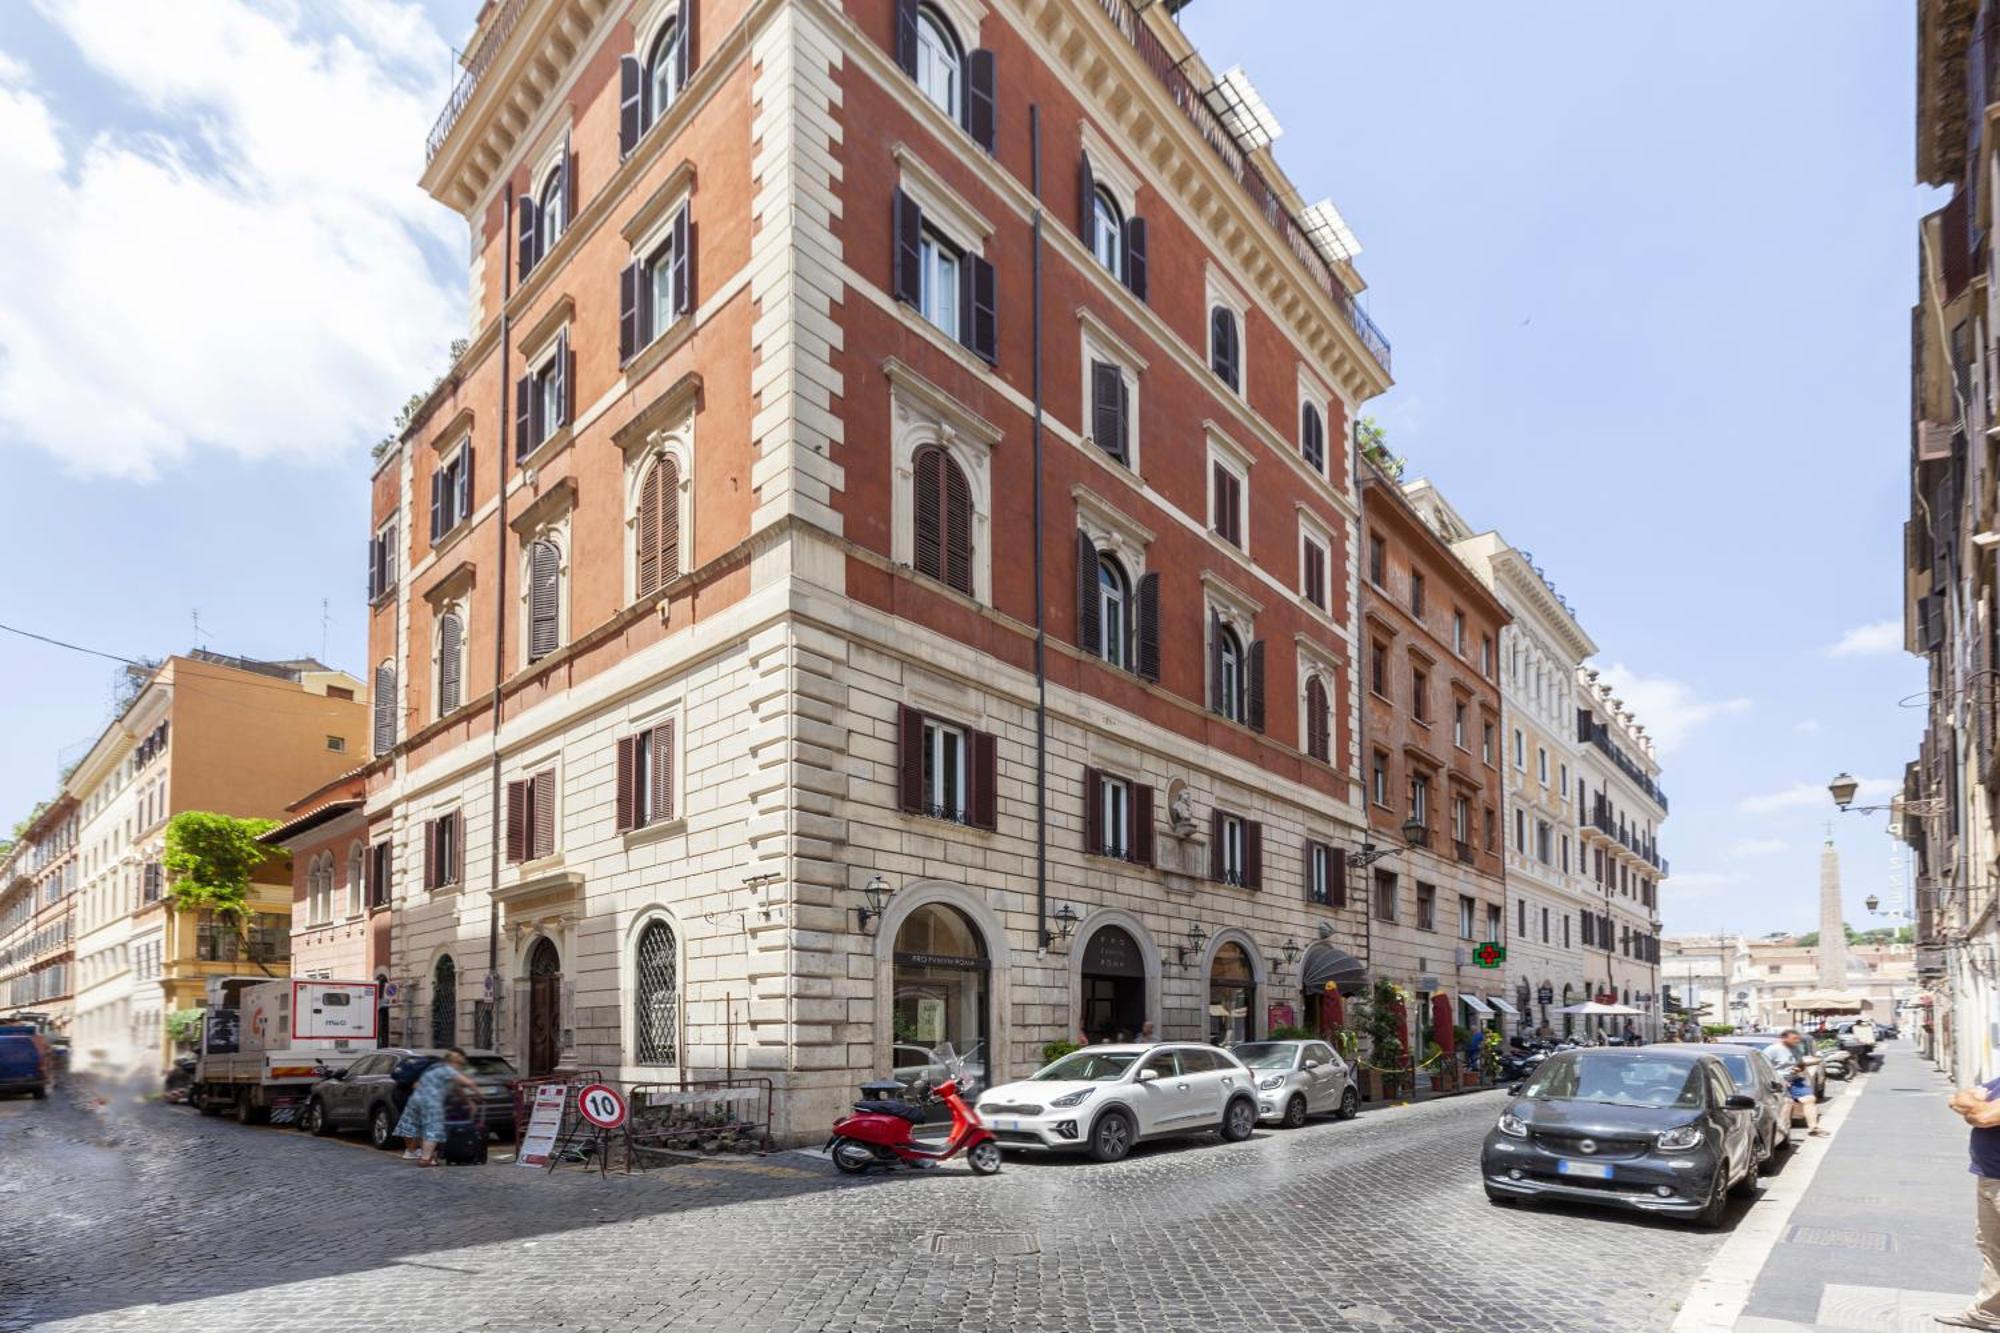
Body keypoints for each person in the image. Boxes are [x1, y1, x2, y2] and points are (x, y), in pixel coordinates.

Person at [1938, 1077, 2000, 1328]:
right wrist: (1974, 1105)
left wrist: (1977, 1106)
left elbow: (1983, 1117)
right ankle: (1989, 1312)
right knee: (1991, 1246)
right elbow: (1956, 1098)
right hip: (1990, 1177)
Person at [394, 1047, 482, 1166]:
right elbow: (468, 1083)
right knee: (432, 1129)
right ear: (457, 1061)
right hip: (431, 1102)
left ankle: (413, 1151)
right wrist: (480, 1095)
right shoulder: (448, 1070)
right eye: (461, 1062)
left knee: (416, 1127)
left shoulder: (433, 1067)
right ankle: (425, 1159)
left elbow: (456, 1088)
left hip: (415, 1099)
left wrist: (467, 1101)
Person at [1763, 1029, 1827, 1138]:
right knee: (1787, 1105)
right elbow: (1764, 1067)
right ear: (1784, 1038)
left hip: (1795, 1079)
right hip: (1779, 1081)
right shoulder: (1772, 1050)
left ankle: (1813, 1128)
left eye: (1798, 1039)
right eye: (1794, 1039)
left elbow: (1800, 1064)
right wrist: (1778, 1080)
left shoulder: (1796, 1049)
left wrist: (1798, 1068)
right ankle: (1783, 1133)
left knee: (1810, 1099)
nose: (1797, 1041)